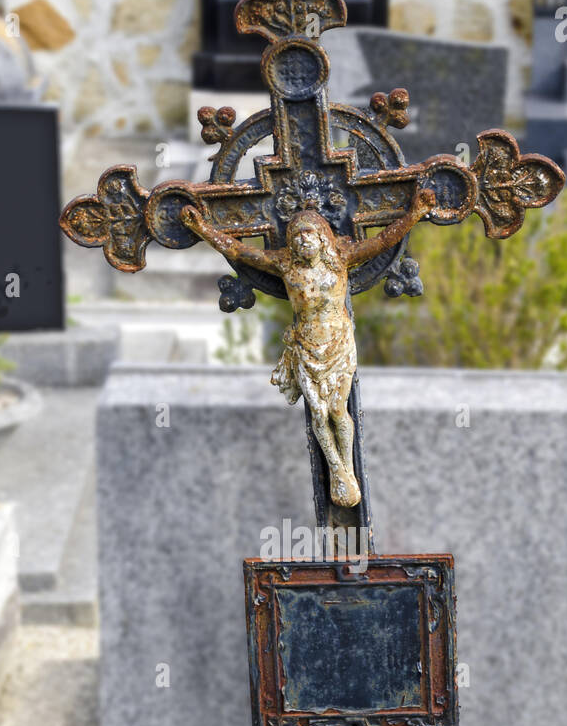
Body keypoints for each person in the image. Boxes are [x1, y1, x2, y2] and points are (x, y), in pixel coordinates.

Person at [181, 185, 436, 508]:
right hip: (305, 344)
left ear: (323, 238)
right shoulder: (285, 265)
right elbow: (238, 252)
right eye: (297, 236)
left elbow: (383, 241)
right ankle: (337, 469)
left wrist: (414, 213)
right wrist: (201, 228)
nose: (303, 240)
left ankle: (348, 465)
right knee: (318, 413)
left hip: (338, 343)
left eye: (310, 234)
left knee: (336, 410)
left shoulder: (341, 258)